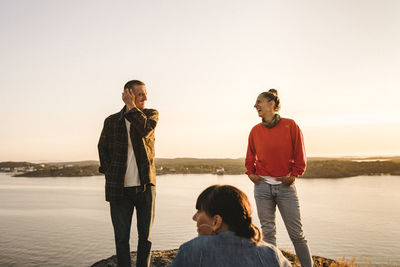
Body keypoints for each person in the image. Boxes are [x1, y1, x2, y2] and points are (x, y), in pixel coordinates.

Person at [245, 89, 313, 267]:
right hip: (262, 187)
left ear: (272, 104)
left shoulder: (290, 125)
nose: (255, 105)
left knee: (297, 234)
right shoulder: (255, 130)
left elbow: (300, 154)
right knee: (268, 234)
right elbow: (250, 155)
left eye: (259, 101)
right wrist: (251, 173)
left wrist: (294, 174)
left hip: (285, 188)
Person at [98, 80, 158, 267]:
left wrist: (132, 107)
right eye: (140, 94)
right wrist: (110, 173)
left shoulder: (150, 115)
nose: (145, 98)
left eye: (145, 93)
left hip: (145, 187)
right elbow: (102, 149)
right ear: (128, 94)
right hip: (119, 190)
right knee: (121, 238)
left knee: (145, 237)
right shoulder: (111, 121)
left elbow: (145, 129)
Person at [171, 185, 291, 267]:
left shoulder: (190, 251)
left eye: (199, 211)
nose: (194, 217)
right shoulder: (271, 254)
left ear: (216, 221)